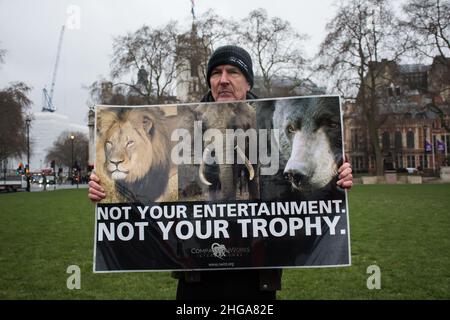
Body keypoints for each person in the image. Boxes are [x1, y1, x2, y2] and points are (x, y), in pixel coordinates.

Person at [88, 45, 353, 300]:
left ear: (248, 82)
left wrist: (333, 182)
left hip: (257, 275)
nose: (223, 79)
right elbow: (147, 190)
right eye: (216, 73)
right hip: (196, 274)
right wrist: (108, 191)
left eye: (233, 72)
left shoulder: (275, 127)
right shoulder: (183, 125)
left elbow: (300, 204)